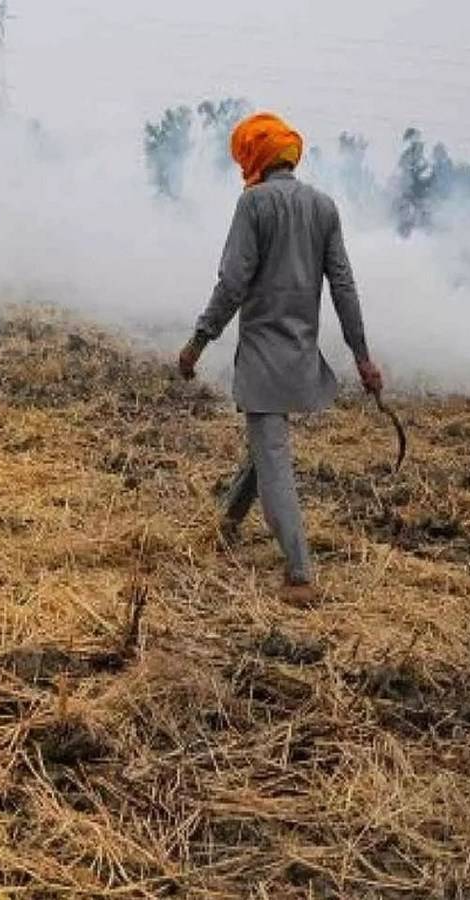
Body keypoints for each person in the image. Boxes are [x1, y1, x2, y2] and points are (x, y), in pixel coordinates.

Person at [178, 111, 383, 605]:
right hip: (300, 357)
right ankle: (227, 520)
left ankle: (299, 572)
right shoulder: (324, 207)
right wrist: (362, 357)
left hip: (263, 359)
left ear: (253, 159)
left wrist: (198, 341)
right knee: (264, 445)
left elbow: (232, 283)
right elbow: (344, 286)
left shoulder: (253, 205)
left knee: (272, 457)